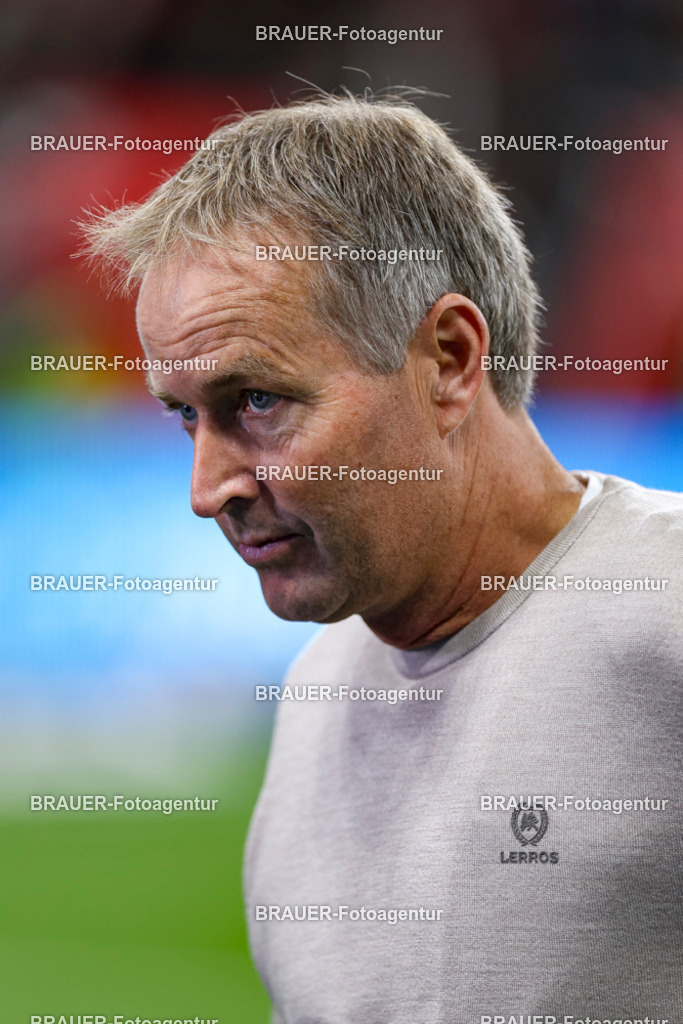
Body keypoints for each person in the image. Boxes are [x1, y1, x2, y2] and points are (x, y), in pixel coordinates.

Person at [84, 94, 682, 1023]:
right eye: (186, 415)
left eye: (256, 402)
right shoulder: (318, 695)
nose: (207, 488)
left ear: (447, 358)